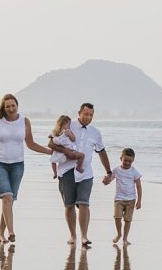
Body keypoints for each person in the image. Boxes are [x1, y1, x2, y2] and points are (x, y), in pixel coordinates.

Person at [0, 94, 51, 243]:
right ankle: (11, 232)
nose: (10, 108)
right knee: (7, 197)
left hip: (17, 165)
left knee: (8, 201)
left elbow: (30, 143)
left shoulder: (25, 121)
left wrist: (48, 151)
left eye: (13, 105)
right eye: (7, 106)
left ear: (17, 105)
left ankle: (1, 234)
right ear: (4, 107)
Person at [49, 103, 114, 247]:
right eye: (86, 114)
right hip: (66, 171)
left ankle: (84, 236)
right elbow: (51, 143)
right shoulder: (67, 124)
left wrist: (109, 172)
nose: (88, 117)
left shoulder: (95, 132)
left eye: (91, 115)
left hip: (85, 173)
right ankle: (73, 236)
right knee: (69, 205)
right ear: (79, 113)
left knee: (84, 202)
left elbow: (102, 152)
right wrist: (68, 153)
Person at [109, 147, 143, 245]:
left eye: (130, 161)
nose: (127, 163)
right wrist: (106, 180)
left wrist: (139, 201)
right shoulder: (116, 170)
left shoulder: (134, 171)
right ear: (121, 158)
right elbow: (109, 179)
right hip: (118, 198)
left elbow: (139, 186)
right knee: (117, 217)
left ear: (133, 161)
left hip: (131, 199)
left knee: (128, 220)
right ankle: (119, 234)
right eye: (125, 160)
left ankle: (125, 238)